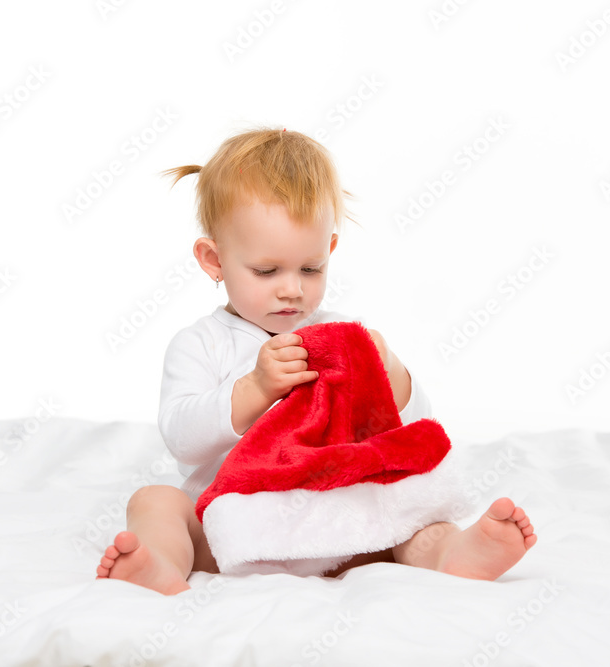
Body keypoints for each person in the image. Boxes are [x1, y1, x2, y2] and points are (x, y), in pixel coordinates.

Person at [96, 127, 536, 594]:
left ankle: (450, 554)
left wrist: (390, 372)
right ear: (214, 260)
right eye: (266, 271)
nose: (293, 288)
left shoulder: (342, 333)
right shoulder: (201, 343)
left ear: (329, 250)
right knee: (156, 500)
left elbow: (412, 426)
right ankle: (160, 563)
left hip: (340, 518)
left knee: (409, 509)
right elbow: (183, 440)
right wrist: (254, 389)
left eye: (310, 268)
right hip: (236, 527)